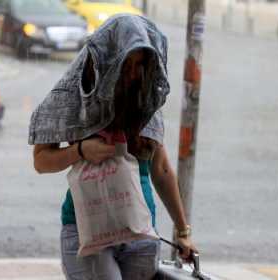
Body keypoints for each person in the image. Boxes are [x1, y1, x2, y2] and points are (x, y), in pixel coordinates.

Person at [29, 15, 197, 280]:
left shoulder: (146, 96)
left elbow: (161, 168)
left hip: (140, 231)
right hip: (88, 227)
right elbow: (41, 160)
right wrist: (81, 150)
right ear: (108, 58)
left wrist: (183, 232)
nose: (133, 73)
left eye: (140, 63)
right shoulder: (75, 97)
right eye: (126, 63)